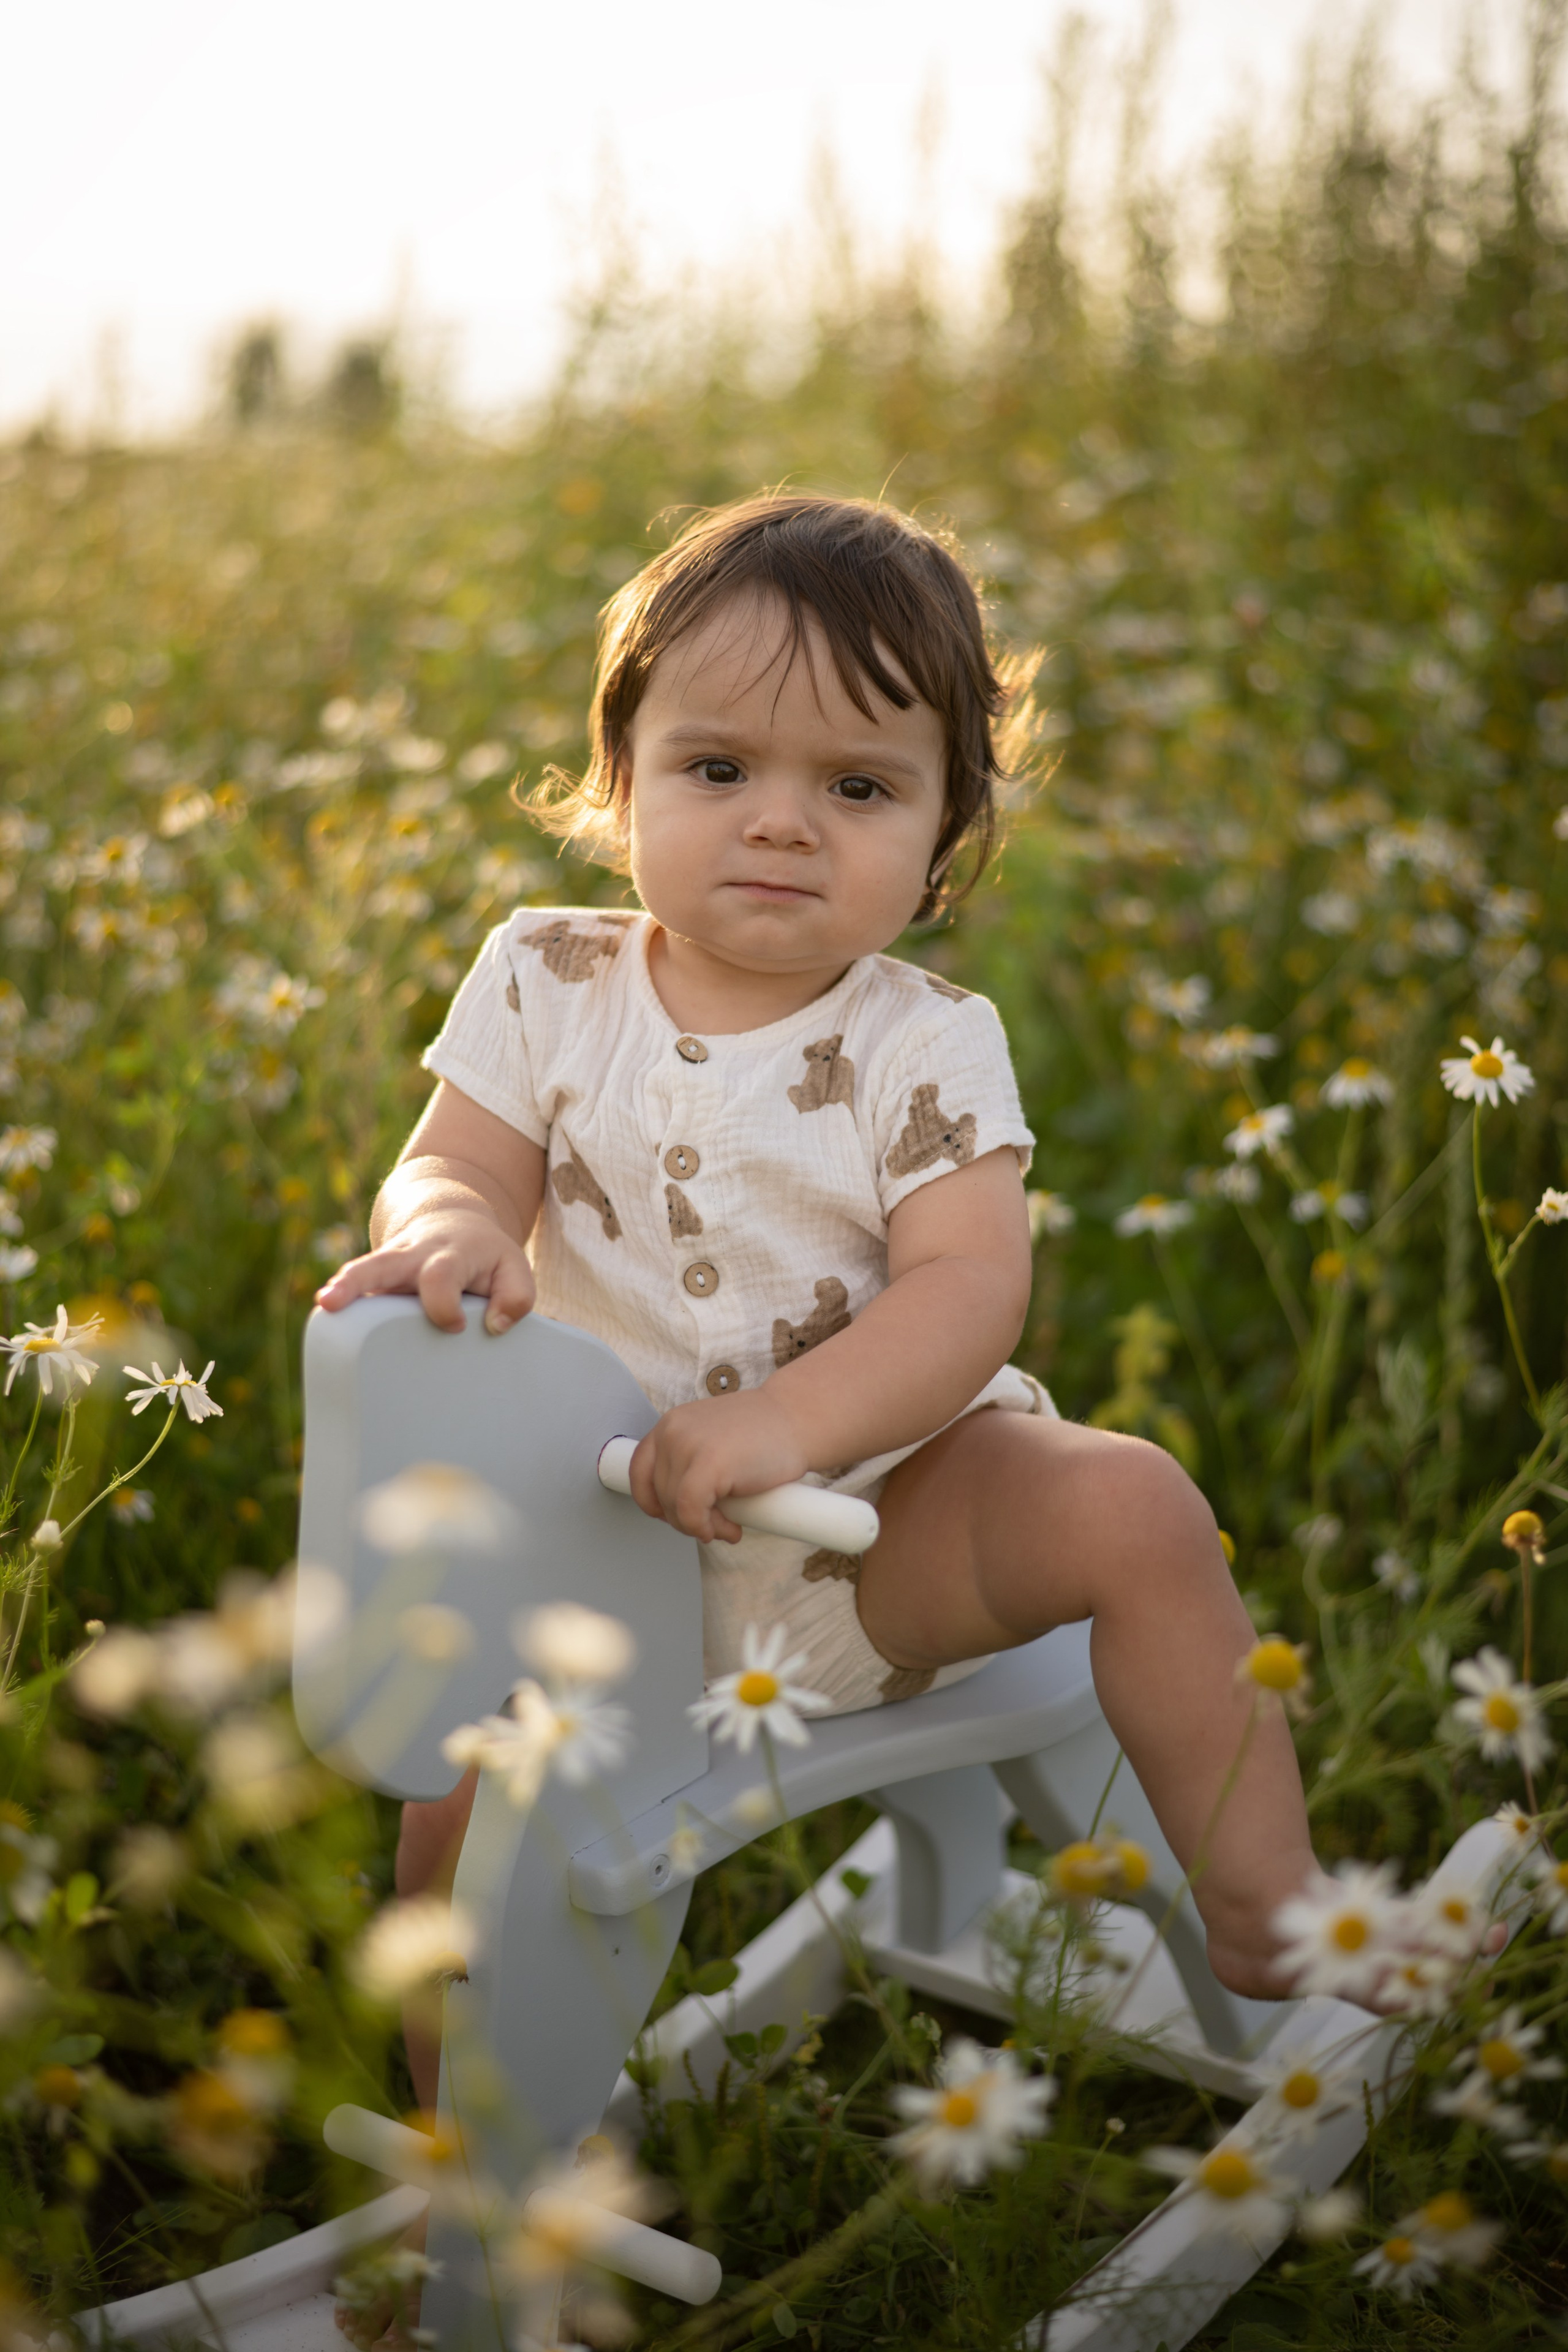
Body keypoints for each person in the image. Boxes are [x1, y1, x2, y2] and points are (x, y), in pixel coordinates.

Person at [317, 492, 1316, 2118]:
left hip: (875, 1532)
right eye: (720, 770)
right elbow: (452, 1165)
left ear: (942, 843)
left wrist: (788, 1424)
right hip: (591, 1567)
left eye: (858, 787)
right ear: (619, 782)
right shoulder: (541, 980)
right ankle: (483, 2147)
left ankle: (1261, 1881)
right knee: (460, 1841)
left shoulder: (924, 1044)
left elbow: (970, 1287)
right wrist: (450, 1232)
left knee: (1130, 1502)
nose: (783, 824)